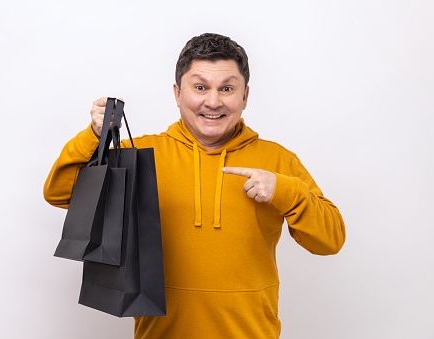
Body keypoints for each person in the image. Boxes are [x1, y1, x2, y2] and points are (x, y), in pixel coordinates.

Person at [44, 33, 346, 339]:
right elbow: (59, 194)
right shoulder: (140, 157)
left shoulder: (277, 160)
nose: (212, 102)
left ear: (245, 96)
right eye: (200, 87)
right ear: (177, 93)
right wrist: (93, 138)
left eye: (226, 88)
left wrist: (286, 191)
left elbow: (330, 241)